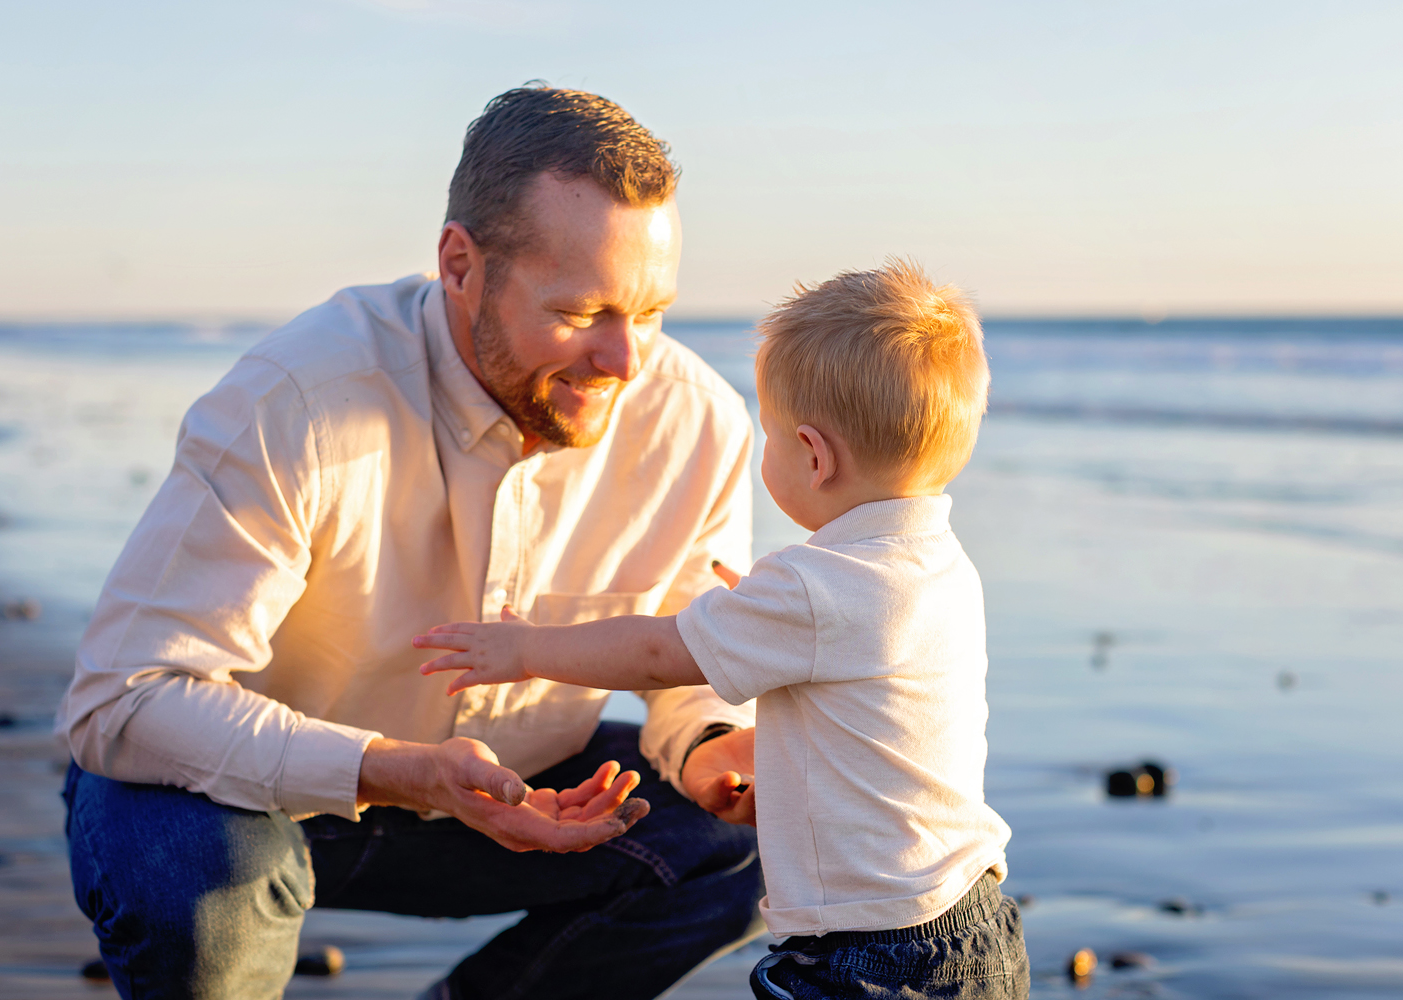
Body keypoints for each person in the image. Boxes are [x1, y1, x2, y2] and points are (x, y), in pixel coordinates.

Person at [55, 85, 765, 1000]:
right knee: (204, 890)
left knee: (751, 846)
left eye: (652, 311)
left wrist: (711, 744)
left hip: (521, 794)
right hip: (240, 794)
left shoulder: (695, 422)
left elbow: (687, 659)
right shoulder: (297, 399)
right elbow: (124, 699)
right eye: (583, 312)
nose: (626, 362)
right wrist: (391, 770)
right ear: (460, 264)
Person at [415, 260, 1031, 999]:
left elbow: (655, 651)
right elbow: (874, 726)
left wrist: (528, 647)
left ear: (812, 455)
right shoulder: (938, 570)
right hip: (970, 924)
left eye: (769, 436)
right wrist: (749, 714)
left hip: (873, 952)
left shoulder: (815, 588)